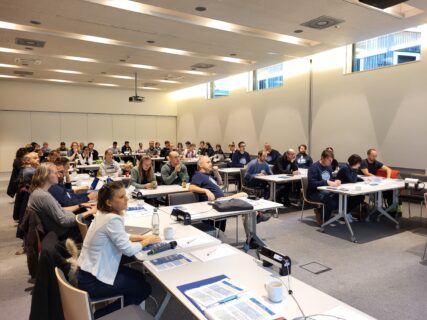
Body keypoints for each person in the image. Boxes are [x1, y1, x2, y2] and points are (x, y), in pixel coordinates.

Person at [77, 182, 159, 318]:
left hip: (87, 273)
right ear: (109, 202)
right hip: (94, 281)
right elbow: (128, 250)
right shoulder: (112, 219)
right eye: (121, 197)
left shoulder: (103, 214)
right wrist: (146, 241)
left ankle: (125, 306)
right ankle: (103, 315)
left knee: (140, 277)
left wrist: (135, 237)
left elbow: (115, 235)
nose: (126, 199)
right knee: (144, 288)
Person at [27, 163, 95, 241]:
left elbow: (60, 210)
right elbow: (64, 221)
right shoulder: (44, 196)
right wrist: (90, 212)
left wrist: (81, 205)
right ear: (46, 176)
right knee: (100, 225)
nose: (58, 176)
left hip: (59, 230)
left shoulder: (39, 192)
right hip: (65, 234)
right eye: (55, 173)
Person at [307, 149, 340, 226]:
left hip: (326, 190)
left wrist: (336, 181)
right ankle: (323, 220)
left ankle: (320, 211)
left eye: (331, 160)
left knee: (339, 198)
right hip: (314, 192)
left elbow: (330, 179)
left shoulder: (329, 167)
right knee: (331, 201)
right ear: (322, 157)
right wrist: (327, 182)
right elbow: (312, 183)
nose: (330, 162)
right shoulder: (313, 167)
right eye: (328, 159)